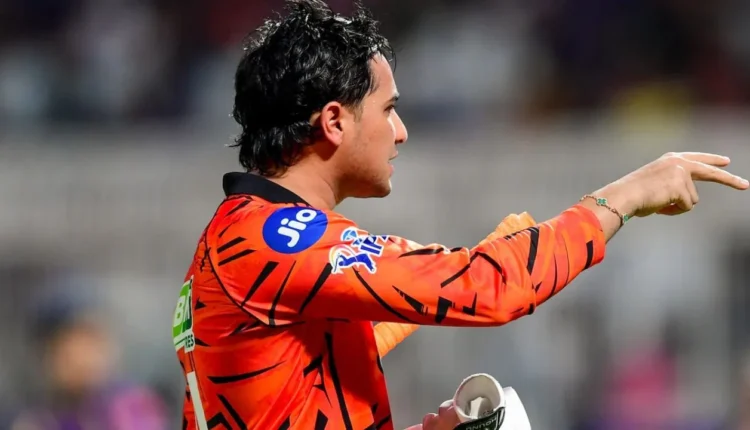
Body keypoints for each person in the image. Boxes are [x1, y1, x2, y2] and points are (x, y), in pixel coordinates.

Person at [171, 1, 749, 429]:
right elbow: (489, 290)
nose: (401, 131)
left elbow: (299, 390)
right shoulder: (274, 238)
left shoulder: (241, 240)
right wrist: (623, 198)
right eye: (388, 110)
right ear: (334, 121)